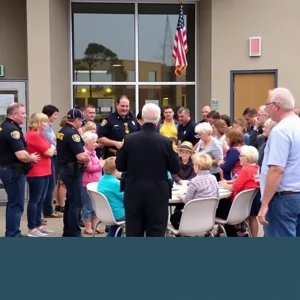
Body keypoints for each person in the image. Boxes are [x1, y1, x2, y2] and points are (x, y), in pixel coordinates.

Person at [116, 103, 181, 237]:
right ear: (158, 120)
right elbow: (175, 168)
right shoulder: (167, 142)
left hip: (134, 190)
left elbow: (120, 166)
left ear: (143, 118)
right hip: (158, 191)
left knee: (134, 230)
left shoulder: (128, 140)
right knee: (156, 230)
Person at [258, 88, 300, 237]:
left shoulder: (281, 130)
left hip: (283, 198)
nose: (266, 108)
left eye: (267, 104)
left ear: (276, 106)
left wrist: (264, 204)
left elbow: (276, 169)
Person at [0, 103, 40, 237]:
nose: (25, 116)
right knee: (16, 204)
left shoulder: (4, 126)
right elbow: (21, 155)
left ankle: (12, 232)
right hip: (13, 171)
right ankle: (13, 234)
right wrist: (32, 158)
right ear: (14, 114)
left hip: (8, 169)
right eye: (22, 113)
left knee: (13, 203)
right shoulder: (12, 130)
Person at [56, 108, 90, 237]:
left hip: (66, 169)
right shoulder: (72, 134)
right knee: (76, 203)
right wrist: (88, 157)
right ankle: (74, 232)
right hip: (73, 170)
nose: (82, 123)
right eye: (81, 120)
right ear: (76, 120)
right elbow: (81, 156)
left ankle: (68, 230)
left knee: (70, 202)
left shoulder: (62, 131)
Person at [25, 112, 56, 237]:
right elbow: (49, 151)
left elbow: (50, 148)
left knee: (40, 200)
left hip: (44, 170)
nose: (46, 124)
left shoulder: (39, 135)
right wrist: (52, 146)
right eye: (43, 121)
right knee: (35, 200)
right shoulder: (34, 135)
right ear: (37, 122)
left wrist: (51, 147)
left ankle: (38, 225)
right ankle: (32, 227)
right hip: (36, 172)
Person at [170, 153, 219, 230]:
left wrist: (181, 196)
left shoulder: (194, 181)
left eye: (194, 165)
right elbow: (217, 195)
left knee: (173, 217)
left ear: (198, 166)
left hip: (193, 214)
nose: (193, 166)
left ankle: (185, 234)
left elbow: (187, 200)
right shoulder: (213, 178)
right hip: (208, 215)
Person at [219, 145, 260, 237]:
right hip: (252, 198)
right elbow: (242, 181)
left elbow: (234, 187)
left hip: (240, 205)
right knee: (253, 218)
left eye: (241, 156)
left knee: (219, 206)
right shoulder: (256, 168)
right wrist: (229, 182)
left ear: (247, 158)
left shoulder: (245, 170)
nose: (239, 158)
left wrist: (224, 184)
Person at [41, 104, 63, 216]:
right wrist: (55, 142)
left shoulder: (49, 127)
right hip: (50, 156)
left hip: (53, 155)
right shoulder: (45, 128)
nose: (56, 116)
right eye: (54, 114)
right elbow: (53, 142)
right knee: (50, 184)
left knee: (51, 184)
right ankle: (47, 210)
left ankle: (48, 209)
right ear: (48, 115)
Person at [82, 131, 103, 235]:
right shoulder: (85, 153)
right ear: (87, 142)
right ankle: (87, 227)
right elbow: (89, 168)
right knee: (88, 206)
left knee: (95, 207)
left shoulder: (93, 152)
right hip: (88, 183)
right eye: (94, 142)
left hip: (95, 182)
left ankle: (94, 226)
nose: (96, 144)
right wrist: (101, 165)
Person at [98, 157, 125, 237]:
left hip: (105, 213)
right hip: (118, 214)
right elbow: (126, 199)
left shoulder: (101, 179)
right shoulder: (116, 183)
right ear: (116, 170)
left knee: (115, 227)